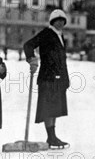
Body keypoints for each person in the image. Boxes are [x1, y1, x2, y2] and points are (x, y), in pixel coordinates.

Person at [24, 9, 71, 149]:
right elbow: (28, 45)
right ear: (52, 21)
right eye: (57, 20)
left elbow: (62, 60)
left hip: (58, 77)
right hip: (47, 77)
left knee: (55, 107)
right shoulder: (47, 33)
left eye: (62, 20)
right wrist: (32, 59)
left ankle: (52, 136)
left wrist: (66, 78)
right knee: (48, 107)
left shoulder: (60, 36)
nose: (60, 23)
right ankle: (51, 137)